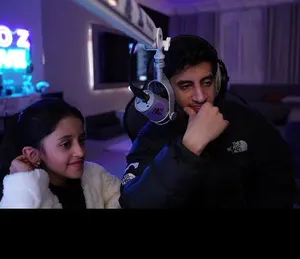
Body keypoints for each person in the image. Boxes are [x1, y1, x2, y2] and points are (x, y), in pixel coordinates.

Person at [120, 34, 295, 208]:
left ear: (218, 81)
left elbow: (280, 176)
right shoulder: (150, 137)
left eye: (207, 82)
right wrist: (187, 149)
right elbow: (133, 203)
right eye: (186, 86)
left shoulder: (245, 118)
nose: (201, 97)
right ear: (164, 91)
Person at [0, 98, 123, 209]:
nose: (80, 152)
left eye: (81, 140)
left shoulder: (95, 175)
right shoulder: (26, 195)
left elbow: (121, 199)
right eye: (66, 144)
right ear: (33, 154)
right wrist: (22, 181)